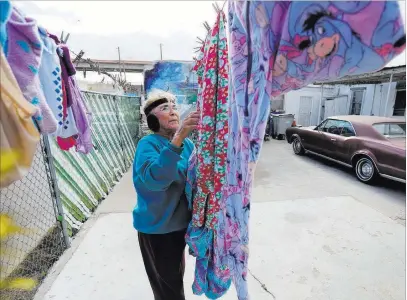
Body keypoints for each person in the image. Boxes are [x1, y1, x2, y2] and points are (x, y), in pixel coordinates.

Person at [132, 90, 200, 300]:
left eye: (175, 107)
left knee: (175, 279)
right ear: (152, 119)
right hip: (157, 230)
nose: (173, 112)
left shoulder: (187, 145)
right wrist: (178, 137)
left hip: (181, 225)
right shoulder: (148, 144)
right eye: (164, 108)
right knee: (168, 290)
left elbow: (196, 178)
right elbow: (156, 179)